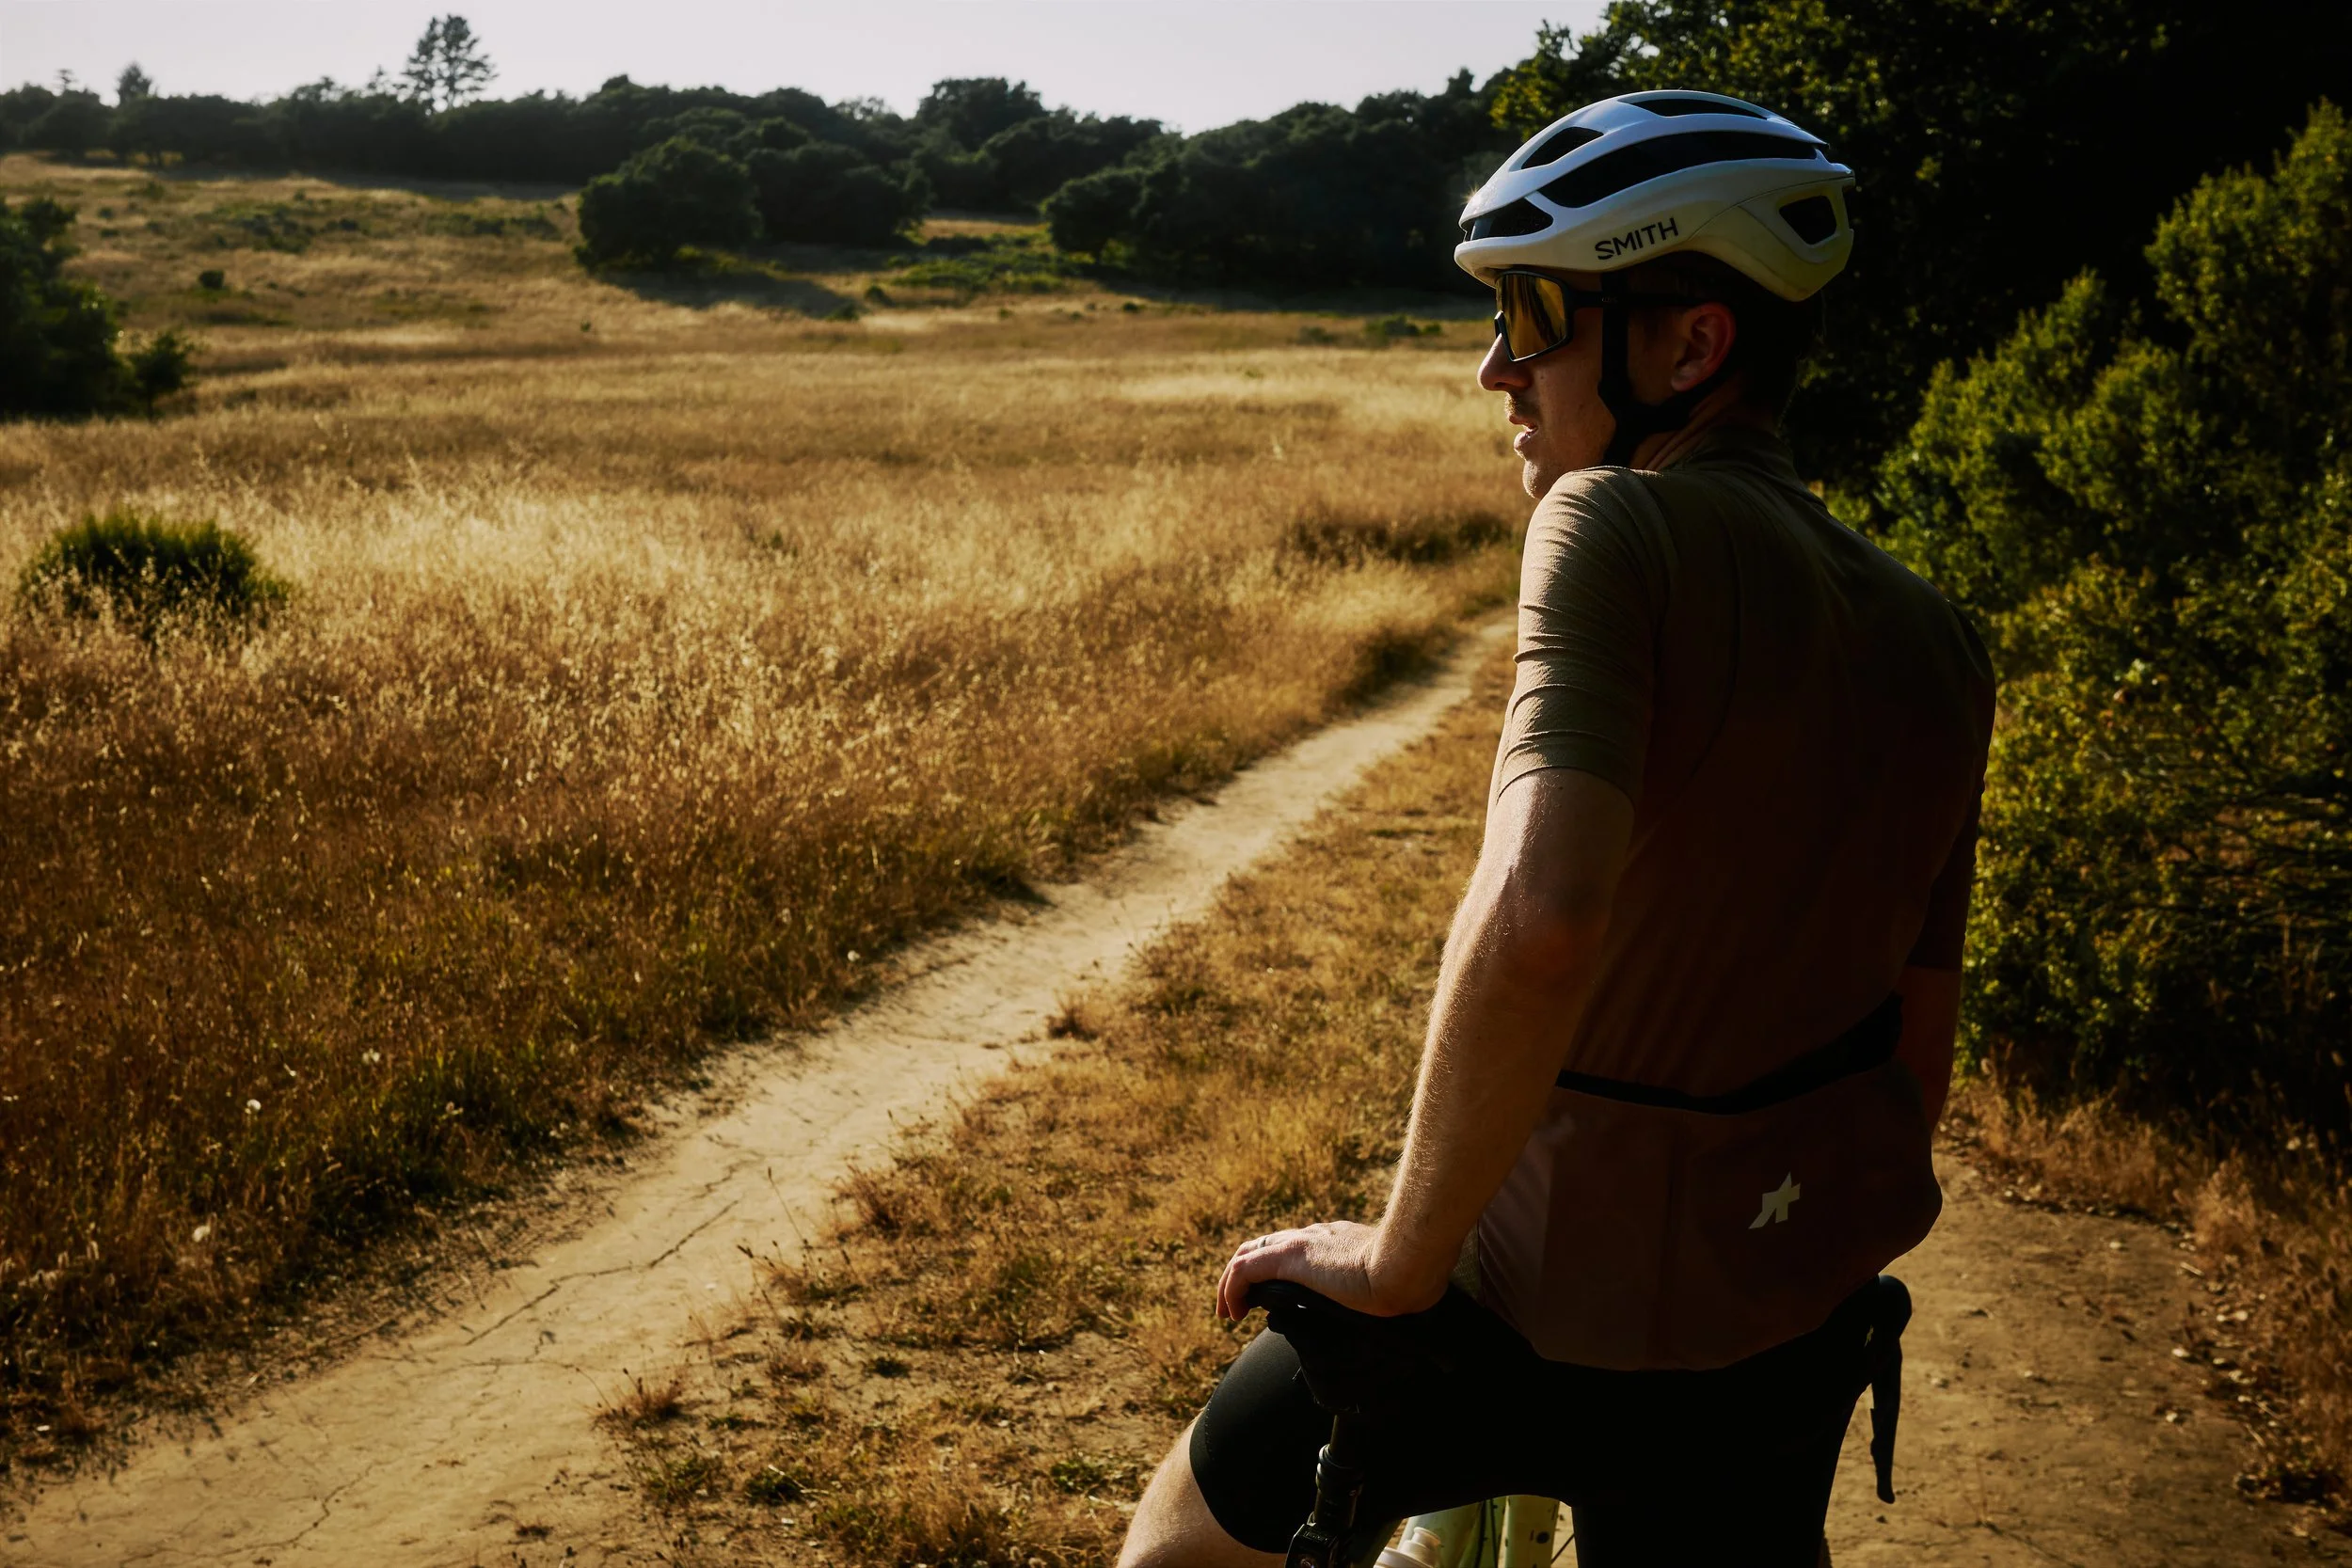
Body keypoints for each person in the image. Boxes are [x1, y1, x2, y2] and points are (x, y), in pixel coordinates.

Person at [1116, 90, 1995, 1568]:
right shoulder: (1943, 639)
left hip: (1516, 1307)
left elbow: (1543, 920)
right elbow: (1919, 1052)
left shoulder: (1607, 526)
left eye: (1533, 314)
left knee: (1176, 1546)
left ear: (1689, 344)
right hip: (1775, 1332)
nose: (1494, 368)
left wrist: (1397, 1261)